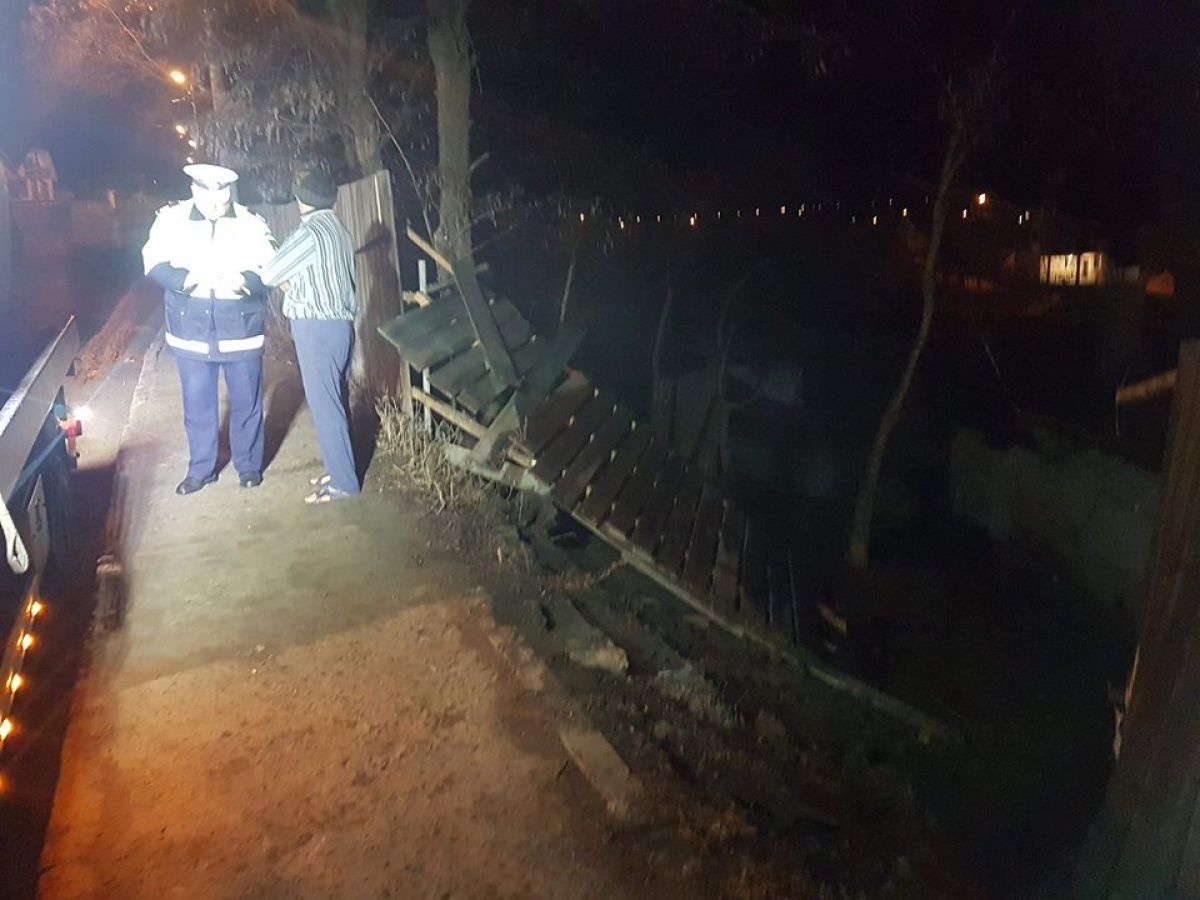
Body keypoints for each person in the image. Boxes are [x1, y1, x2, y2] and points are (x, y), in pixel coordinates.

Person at [142, 163, 277, 494]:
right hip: (191, 328)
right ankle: (201, 469)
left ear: (229, 191)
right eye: (209, 197)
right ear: (194, 190)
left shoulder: (250, 223)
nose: (216, 204)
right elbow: (152, 260)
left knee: (247, 402)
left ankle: (249, 466)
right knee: (197, 405)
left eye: (222, 196)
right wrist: (182, 280)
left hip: (240, 327)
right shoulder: (171, 220)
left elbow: (271, 267)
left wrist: (246, 281)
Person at [259, 169, 360, 504]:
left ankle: (344, 483)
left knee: (325, 405)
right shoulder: (339, 231)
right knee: (336, 401)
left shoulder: (309, 232)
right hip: (341, 326)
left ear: (300, 199)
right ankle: (340, 469)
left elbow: (270, 273)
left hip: (316, 328)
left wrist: (291, 286)